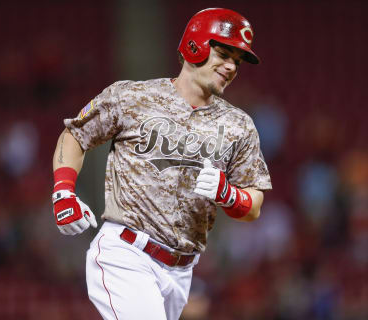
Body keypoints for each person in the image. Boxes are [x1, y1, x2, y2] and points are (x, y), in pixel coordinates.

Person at [51, 8, 272, 320]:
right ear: (194, 45)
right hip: (126, 253)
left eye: (237, 61)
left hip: (181, 272)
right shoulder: (132, 97)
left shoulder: (239, 125)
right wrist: (63, 191)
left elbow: (254, 205)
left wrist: (229, 195)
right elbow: (74, 135)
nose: (231, 66)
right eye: (224, 53)